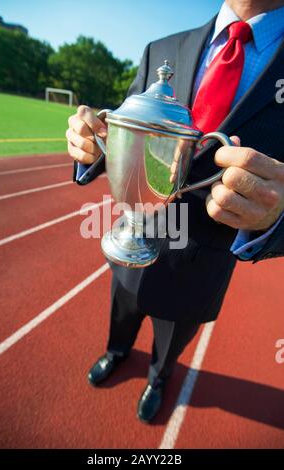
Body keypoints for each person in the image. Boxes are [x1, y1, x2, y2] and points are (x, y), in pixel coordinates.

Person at [66, 0, 284, 423]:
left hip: (204, 257)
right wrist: (92, 145)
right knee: (122, 311)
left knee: (172, 336)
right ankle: (116, 352)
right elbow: (123, 132)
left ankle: (158, 378)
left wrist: (278, 215)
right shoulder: (160, 47)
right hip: (133, 231)